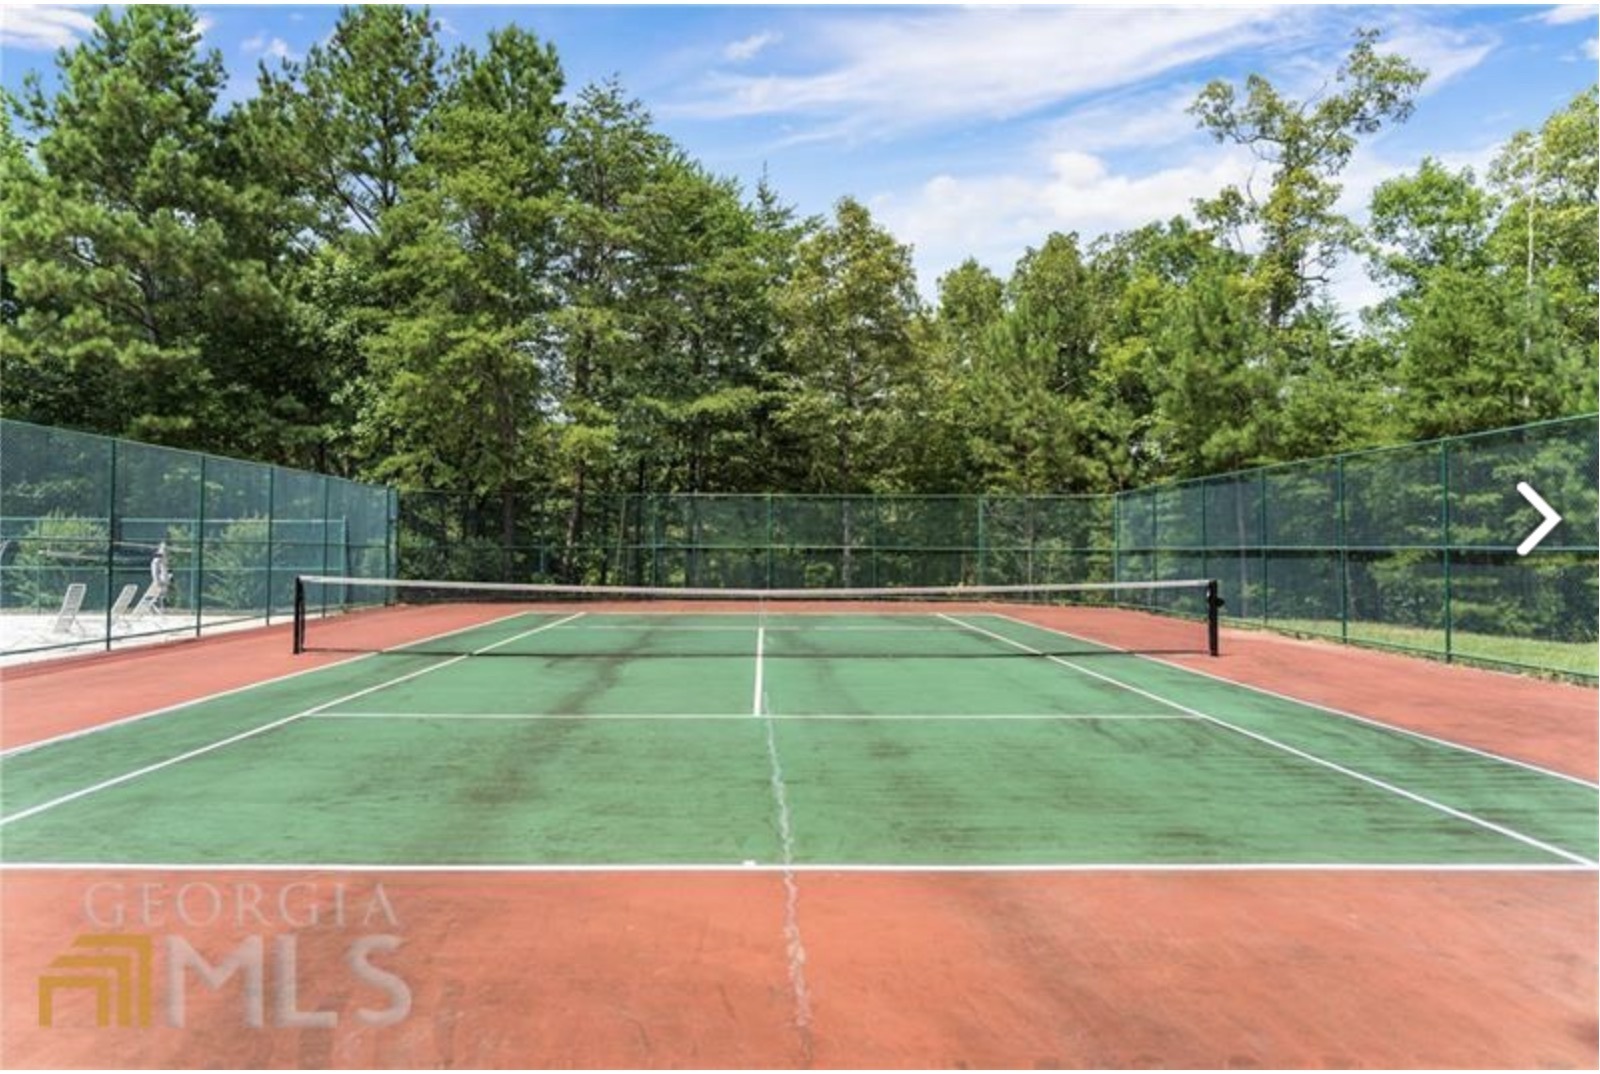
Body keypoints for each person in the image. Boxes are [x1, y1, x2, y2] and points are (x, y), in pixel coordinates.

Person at [150, 541, 173, 613]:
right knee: (161, 588)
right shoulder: (158, 558)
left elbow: (166, 565)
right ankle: (155, 603)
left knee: (164, 589)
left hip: (163, 571)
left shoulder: (165, 558)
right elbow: (157, 559)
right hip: (159, 572)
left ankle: (160, 605)